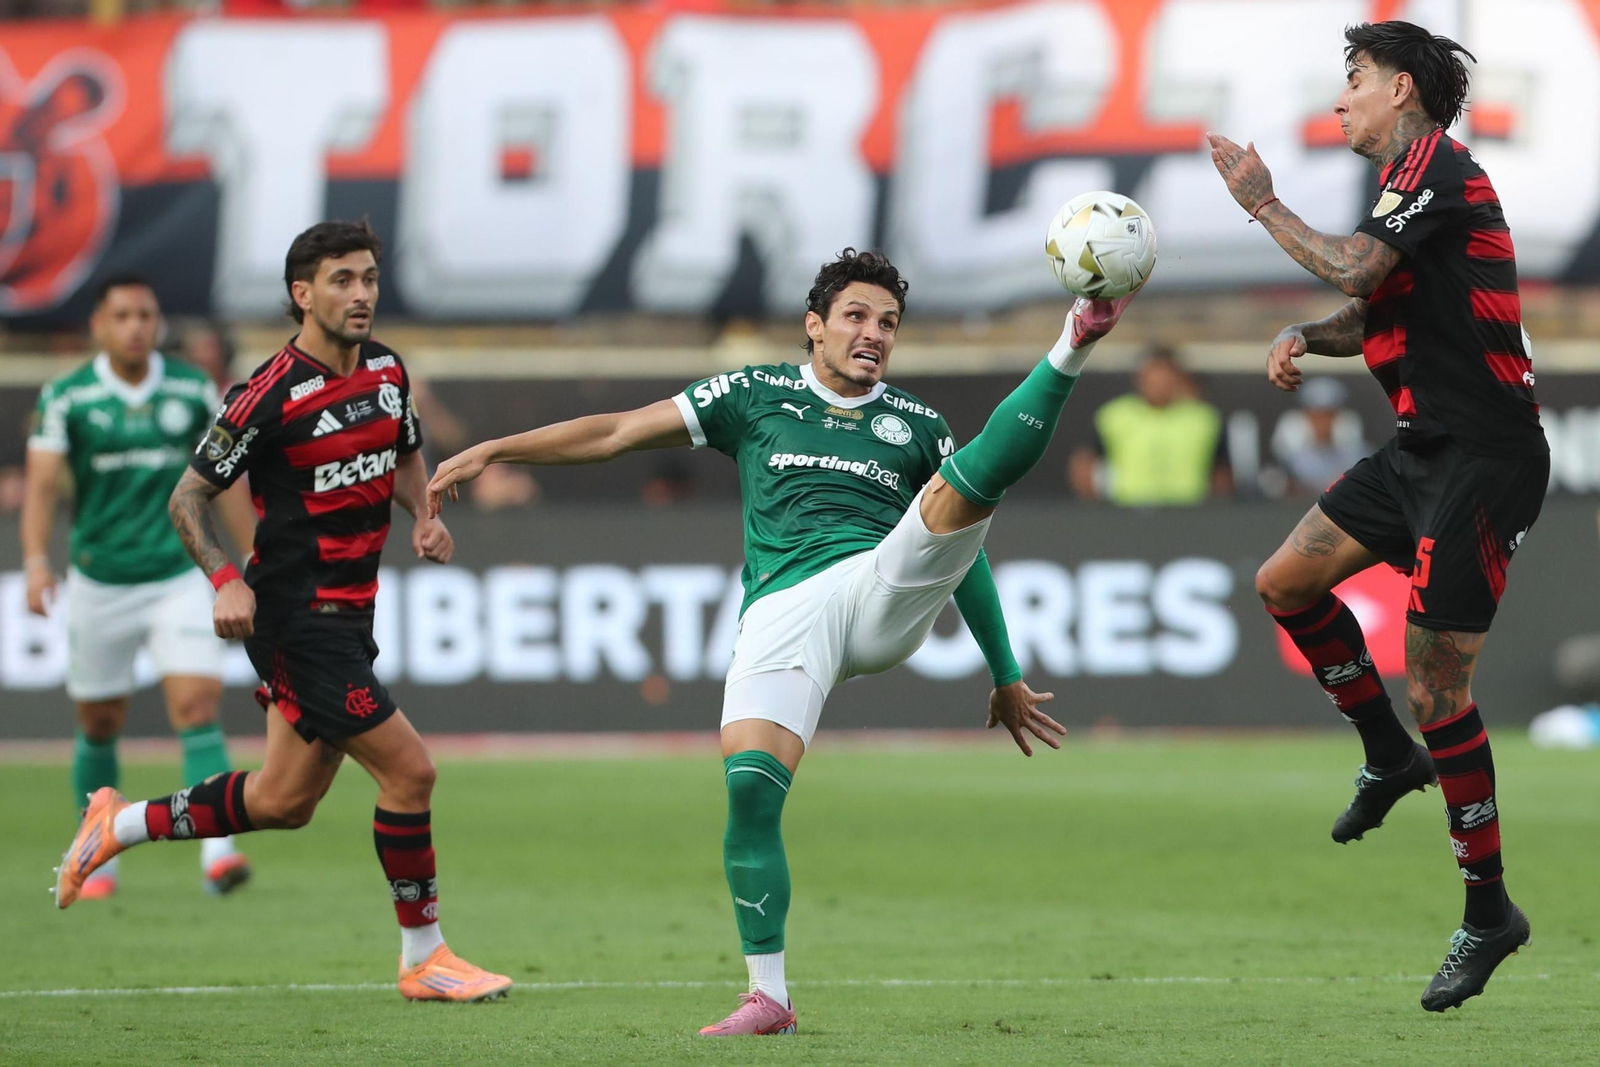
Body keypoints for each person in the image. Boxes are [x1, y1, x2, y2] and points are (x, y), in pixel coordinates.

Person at [427, 247, 1135, 1035]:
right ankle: (770, 995)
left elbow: (961, 556)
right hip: (784, 610)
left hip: (877, 585)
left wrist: (1005, 671)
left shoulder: (916, 425)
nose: (873, 333)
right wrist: (497, 448)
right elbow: (621, 431)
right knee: (751, 791)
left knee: (961, 491)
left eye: (888, 323)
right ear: (815, 326)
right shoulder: (753, 394)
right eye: (857, 317)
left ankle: (1073, 339)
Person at [51, 221, 511, 1003]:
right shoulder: (266, 394)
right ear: (303, 294)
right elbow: (187, 497)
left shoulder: (389, 371)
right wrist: (225, 579)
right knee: (410, 770)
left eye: (368, 277)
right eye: (343, 280)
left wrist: (423, 513)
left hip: (351, 617)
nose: (362, 293)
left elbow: (401, 449)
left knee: (282, 801)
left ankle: (116, 822)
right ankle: (424, 956)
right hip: (296, 620)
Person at [1209, 20, 1547, 1011]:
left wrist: (1262, 204)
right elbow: (1368, 307)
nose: (1339, 98)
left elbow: (1357, 268)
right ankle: (1384, 753)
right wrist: (1307, 338)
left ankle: (1488, 907)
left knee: (1438, 685)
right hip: (1418, 452)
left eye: (1351, 80)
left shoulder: (1439, 165)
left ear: (1402, 88)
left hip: (1483, 458)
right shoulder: (1404, 189)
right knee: (1285, 581)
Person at [22, 273, 257, 898]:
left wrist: (253, 552)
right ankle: (97, 855)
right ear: (98, 325)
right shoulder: (67, 396)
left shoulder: (189, 388)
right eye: (122, 315)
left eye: (146, 315)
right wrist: (36, 561)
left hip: (178, 574)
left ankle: (217, 855)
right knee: (99, 721)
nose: (135, 326)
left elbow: (224, 479)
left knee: (198, 705)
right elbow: (42, 485)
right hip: (100, 579)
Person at [1067, 345, 1230, 504]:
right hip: (1130, 512)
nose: (1159, 384)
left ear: (1178, 378)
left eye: (1166, 375)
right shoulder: (1114, 416)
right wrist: (1098, 510)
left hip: (1188, 514)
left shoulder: (1204, 419)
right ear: (1140, 377)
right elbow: (1084, 463)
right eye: (1153, 375)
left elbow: (1221, 471)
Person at [1271, 376, 1370, 495]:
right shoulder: (1286, 463)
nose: (1323, 424)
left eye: (1329, 416)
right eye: (1316, 416)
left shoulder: (1362, 459)